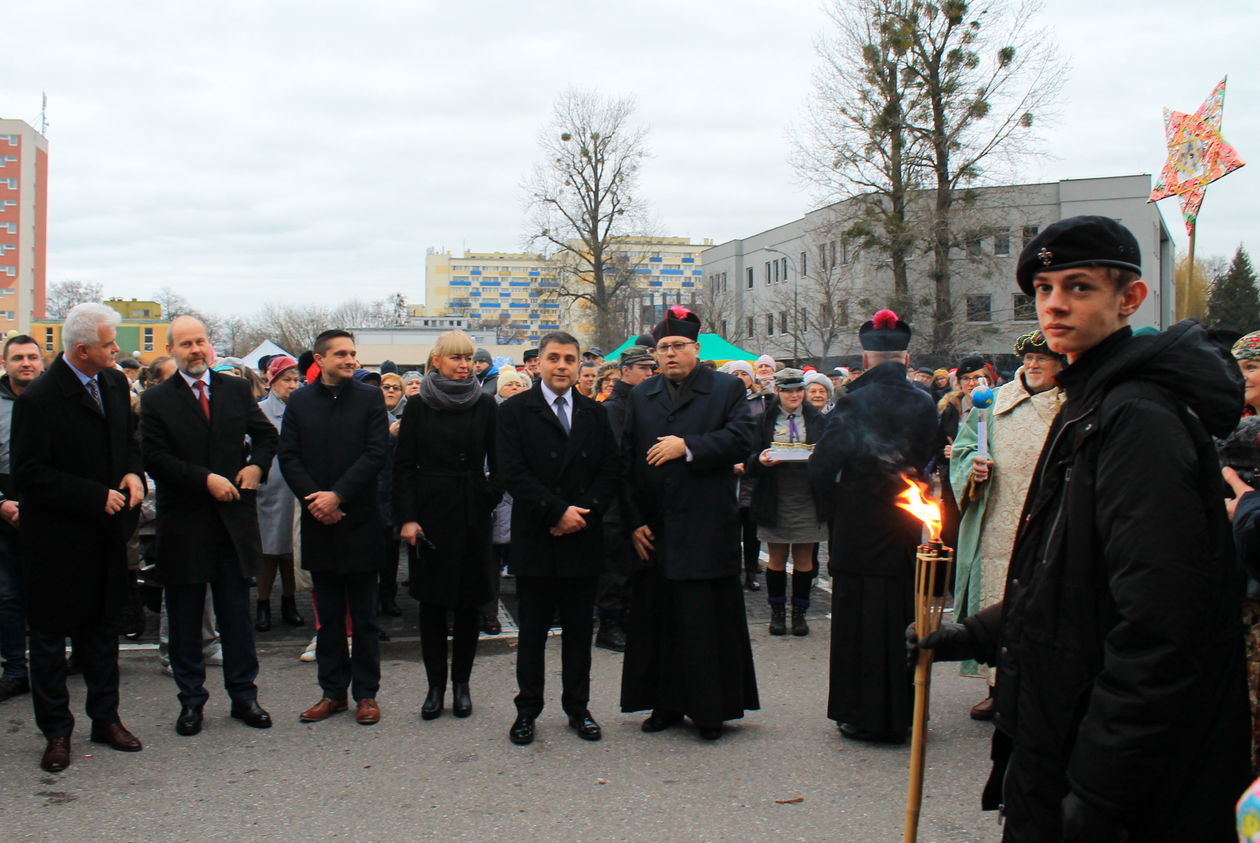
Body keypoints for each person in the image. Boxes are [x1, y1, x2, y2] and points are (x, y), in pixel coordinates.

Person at [917, 216, 1251, 839]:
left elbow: (1159, 623)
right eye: (1043, 288)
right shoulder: (1089, 400)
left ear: (1130, 298)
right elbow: (1065, 572)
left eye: (1079, 287)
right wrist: (980, 633)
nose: (1055, 305)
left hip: (1109, 764)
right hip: (1059, 730)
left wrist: (1101, 787)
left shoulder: (1138, 417)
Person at [13, 303, 145, 771]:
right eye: (110, 345)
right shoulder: (40, 399)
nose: (118, 351)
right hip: (55, 541)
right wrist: (94, 495)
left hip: (105, 536)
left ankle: (105, 719)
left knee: (102, 634)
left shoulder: (112, 382)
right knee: (50, 641)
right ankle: (56, 732)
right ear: (83, 349)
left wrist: (132, 473)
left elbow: (128, 440)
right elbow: (30, 474)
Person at [620, 305, 759, 741]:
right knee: (659, 621)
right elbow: (623, 461)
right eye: (663, 348)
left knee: (703, 624)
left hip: (705, 526)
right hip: (656, 528)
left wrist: (690, 446)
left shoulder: (725, 389)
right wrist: (633, 520)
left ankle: (709, 710)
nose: (671, 353)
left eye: (679, 346)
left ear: (697, 349)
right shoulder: (642, 395)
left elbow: (744, 439)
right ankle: (664, 704)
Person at [140, 316, 277, 737]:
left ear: (209, 346)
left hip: (232, 525)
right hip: (184, 525)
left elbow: (267, 436)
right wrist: (205, 479)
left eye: (200, 341)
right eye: (185, 344)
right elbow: (155, 458)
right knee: (184, 621)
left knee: (236, 616)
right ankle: (191, 702)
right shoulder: (157, 399)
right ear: (172, 351)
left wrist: (256, 466)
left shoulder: (235, 389)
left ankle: (244, 697)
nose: (195, 349)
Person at [810, 308, 936, 744]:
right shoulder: (924, 400)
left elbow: (823, 466)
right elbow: (927, 459)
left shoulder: (853, 401)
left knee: (858, 622)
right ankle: (903, 710)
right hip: (903, 521)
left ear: (866, 358)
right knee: (901, 613)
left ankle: (861, 713)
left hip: (859, 523)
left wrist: (833, 512)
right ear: (906, 357)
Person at [497, 331, 620, 745]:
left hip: (582, 535)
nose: (562, 365)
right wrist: (555, 511)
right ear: (540, 363)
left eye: (570, 358)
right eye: (554, 358)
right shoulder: (515, 410)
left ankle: (578, 707)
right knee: (532, 632)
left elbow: (610, 469)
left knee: (579, 631)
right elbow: (510, 470)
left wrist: (581, 514)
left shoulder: (594, 412)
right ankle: (527, 710)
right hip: (537, 533)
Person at [948, 331, 1063, 720]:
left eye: (1042, 359)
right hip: (997, 518)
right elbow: (964, 449)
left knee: (1041, 604)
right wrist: (972, 469)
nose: (1033, 365)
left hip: (1044, 521)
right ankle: (997, 688)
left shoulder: (1067, 406)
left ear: (1059, 364)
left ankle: (1036, 690)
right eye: (1028, 359)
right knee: (995, 600)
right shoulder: (992, 404)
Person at [280, 329, 389, 726]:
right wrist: (317, 500)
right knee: (327, 617)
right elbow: (288, 457)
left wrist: (338, 496)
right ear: (319, 359)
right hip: (319, 521)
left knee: (363, 618)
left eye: (353, 353)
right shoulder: (301, 402)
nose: (350, 360)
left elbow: (376, 452)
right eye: (341, 353)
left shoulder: (369, 397)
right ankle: (331, 693)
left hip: (358, 519)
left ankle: (366, 694)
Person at [394, 330, 499, 722]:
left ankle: (462, 684)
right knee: (434, 605)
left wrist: (486, 496)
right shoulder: (419, 407)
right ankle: (435, 685)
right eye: (455, 358)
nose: (463, 365)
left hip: (472, 510)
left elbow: (500, 461)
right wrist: (408, 517)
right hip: (430, 512)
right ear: (436, 360)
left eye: (468, 358)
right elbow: (403, 466)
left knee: (470, 603)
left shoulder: (486, 405)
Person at [747, 368, 827, 637]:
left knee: (805, 559)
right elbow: (749, 457)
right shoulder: (763, 419)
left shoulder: (817, 419)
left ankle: (800, 613)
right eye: (787, 390)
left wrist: (819, 459)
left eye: (798, 390)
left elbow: (831, 454)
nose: (794, 395)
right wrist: (760, 459)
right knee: (777, 558)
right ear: (778, 392)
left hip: (808, 495)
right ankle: (777, 613)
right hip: (775, 494)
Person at [594, 345, 657, 651]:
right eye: (643, 368)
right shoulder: (614, 407)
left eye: (651, 368)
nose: (649, 373)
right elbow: (619, 462)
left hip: (638, 499)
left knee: (635, 567)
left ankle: (627, 620)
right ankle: (608, 626)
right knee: (615, 569)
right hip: (616, 504)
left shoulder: (641, 402)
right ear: (625, 371)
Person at [0, 335, 44, 703]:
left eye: (32, 356)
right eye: (18, 358)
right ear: (6, 363)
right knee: (8, 594)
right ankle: (15, 668)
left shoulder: (57, 401)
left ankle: (67, 661)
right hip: (4, 506)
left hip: (51, 505)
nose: (25, 363)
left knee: (57, 589)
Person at [254, 355, 305, 631]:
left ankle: (289, 601)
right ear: (272, 381)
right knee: (267, 551)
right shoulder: (260, 412)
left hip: (293, 490)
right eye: (286, 380)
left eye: (296, 380)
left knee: (290, 552)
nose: (293, 385)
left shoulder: (303, 411)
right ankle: (263, 603)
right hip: (268, 490)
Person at [720, 360, 771, 593]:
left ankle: (751, 571)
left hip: (753, 473)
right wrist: (730, 461)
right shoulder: (720, 402)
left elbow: (764, 438)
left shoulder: (763, 404)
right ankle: (731, 571)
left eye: (745, 373)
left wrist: (749, 462)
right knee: (728, 528)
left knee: (751, 529)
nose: (740, 377)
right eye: (736, 373)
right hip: (727, 475)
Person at [377, 372, 407, 618]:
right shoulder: (372, 419)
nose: (390, 391)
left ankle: (388, 596)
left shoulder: (407, 419)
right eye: (385, 387)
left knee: (391, 552)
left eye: (395, 388)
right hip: (373, 494)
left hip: (394, 495)